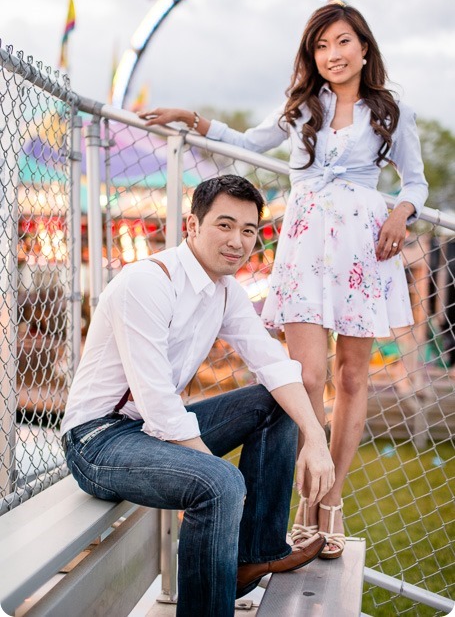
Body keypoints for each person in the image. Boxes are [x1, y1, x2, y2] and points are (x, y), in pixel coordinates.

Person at [138, 2, 428, 560]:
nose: (332, 55)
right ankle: (304, 498)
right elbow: (249, 143)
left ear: (363, 48)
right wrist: (192, 120)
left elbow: (413, 181)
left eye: (342, 42)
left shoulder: (392, 112)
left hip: (362, 253)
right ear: (312, 56)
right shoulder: (302, 108)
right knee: (306, 375)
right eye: (321, 46)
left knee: (350, 379)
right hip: (304, 254)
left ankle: (329, 505)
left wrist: (400, 212)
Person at [61, 175, 335, 617]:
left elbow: (275, 364)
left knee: (277, 401)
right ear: (192, 225)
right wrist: (207, 469)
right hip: (98, 442)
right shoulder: (146, 283)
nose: (238, 241)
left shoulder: (226, 292)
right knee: (221, 484)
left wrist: (316, 439)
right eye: (224, 225)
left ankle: (254, 554)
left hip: (147, 430)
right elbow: (157, 402)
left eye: (249, 230)